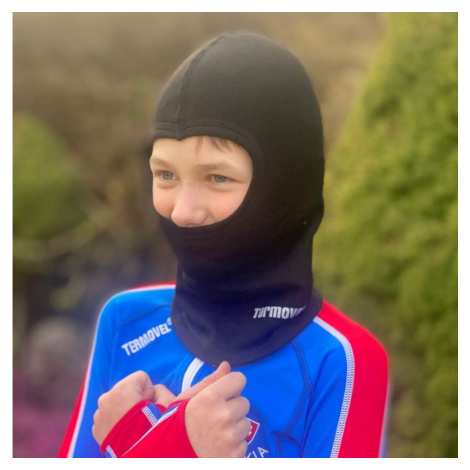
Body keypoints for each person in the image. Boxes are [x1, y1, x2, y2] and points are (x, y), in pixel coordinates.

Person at [58, 31, 389, 458]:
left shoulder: (341, 361)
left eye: (218, 177)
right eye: (165, 175)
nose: (182, 211)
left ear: (283, 190)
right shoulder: (124, 322)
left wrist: (151, 445)